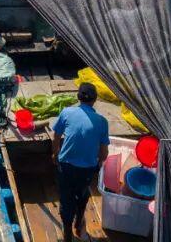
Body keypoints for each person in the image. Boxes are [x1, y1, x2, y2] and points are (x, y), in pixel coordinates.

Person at [52, 83, 110, 242]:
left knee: (66, 198)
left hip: (66, 167)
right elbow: (104, 153)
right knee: (82, 192)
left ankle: (67, 234)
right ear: (95, 100)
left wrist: (55, 154)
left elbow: (56, 136)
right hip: (87, 170)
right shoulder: (102, 122)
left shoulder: (66, 113)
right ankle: (78, 222)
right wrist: (97, 165)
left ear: (78, 97)